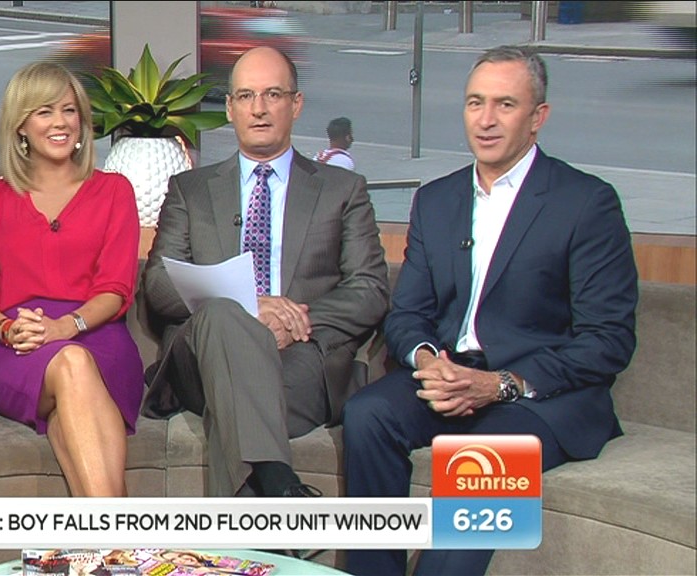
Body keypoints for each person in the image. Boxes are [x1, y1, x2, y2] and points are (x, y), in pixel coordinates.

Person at [342, 45, 638, 576]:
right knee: (368, 413)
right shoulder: (437, 200)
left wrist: (500, 384)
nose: (485, 120)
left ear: (537, 117)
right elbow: (407, 314)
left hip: (540, 395)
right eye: (475, 102)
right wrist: (429, 362)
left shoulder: (585, 202)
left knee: (485, 453)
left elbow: (608, 340)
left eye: (505, 104)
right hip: (453, 376)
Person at [140, 46, 390, 498]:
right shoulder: (190, 190)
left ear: (296, 104)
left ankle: (259, 510)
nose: (258, 108)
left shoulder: (342, 189)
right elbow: (158, 284)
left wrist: (294, 319)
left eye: (273, 94)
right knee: (223, 314)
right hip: (204, 357)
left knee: (239, 399)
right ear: (230, 108)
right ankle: (279, 485)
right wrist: (250, 309)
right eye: (246, 96)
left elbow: (369, 289)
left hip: (300, 357)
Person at [0, 61, 143, 497]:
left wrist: (65, 327)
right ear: (20, 125)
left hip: (100, 339)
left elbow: (115, 289)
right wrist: (10, 329)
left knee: (72, 386)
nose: (60, 122)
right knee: (71, 366)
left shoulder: (114, 191)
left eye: (69, 110)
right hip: (17, 348)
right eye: (44, 111)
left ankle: (111, 532)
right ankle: (123, 531)